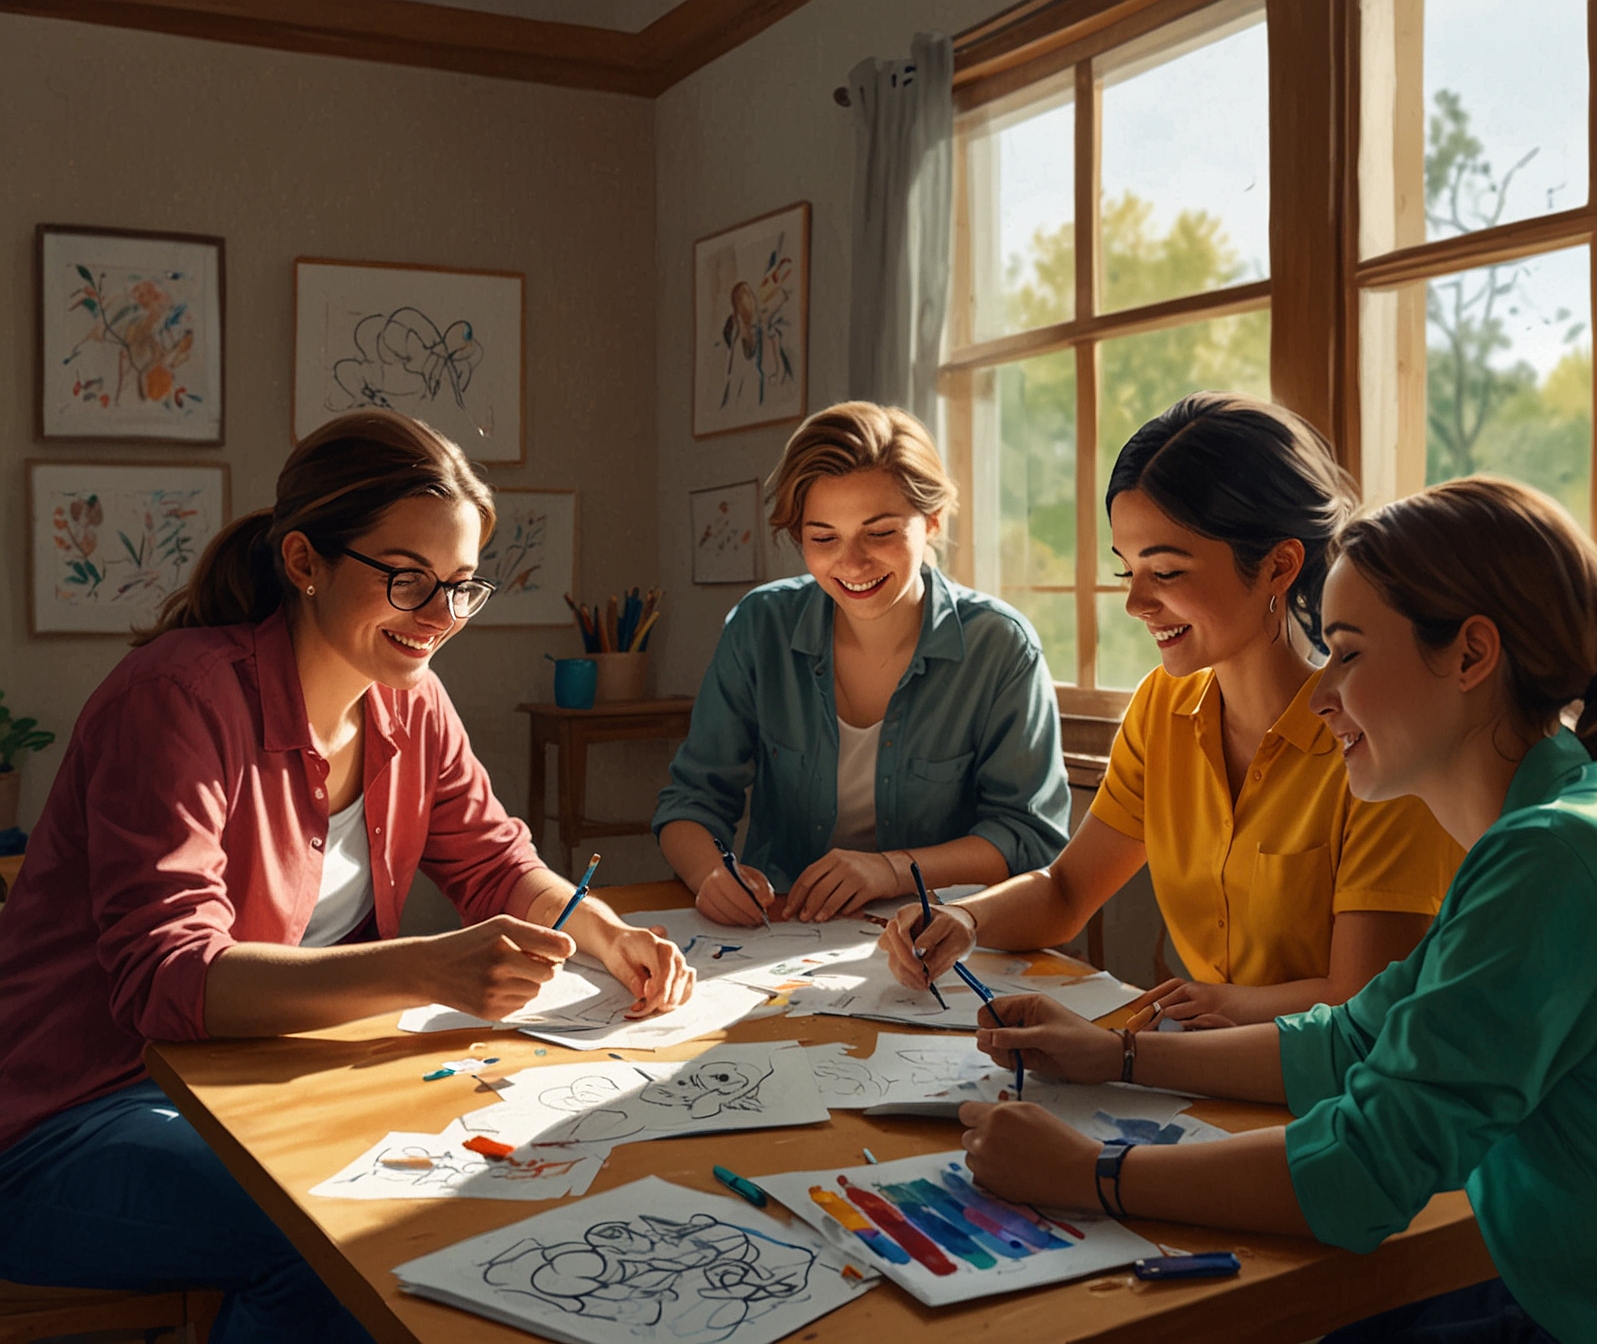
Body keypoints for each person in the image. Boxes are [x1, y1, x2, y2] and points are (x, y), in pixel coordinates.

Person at [958, 477, 1597, 1344]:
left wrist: (1090, 1172)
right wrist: (1119, 1055)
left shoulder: (1556, 859)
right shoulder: (1560, 822)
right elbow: (1355, 1038)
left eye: (1348, 653)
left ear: (1472, 656)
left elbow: (1363, 1172)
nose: (1322, 695)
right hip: (1585, 1289)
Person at [0, 411, 693, 1342]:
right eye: (408, 580)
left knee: (507, 1184)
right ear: (304, 561)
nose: (440, 617)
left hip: (265, 1086)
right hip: (69, 1120)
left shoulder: (412, 699)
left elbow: (493, 860)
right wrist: (426, 969)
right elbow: (166, 982)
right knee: (352, 1235)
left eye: (460, 586)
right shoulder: (178, 700)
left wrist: (602, 933)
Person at [882, 393, 1461, 1025]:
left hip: (1337, 1096)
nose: (1134, 603)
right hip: (1203, 1068)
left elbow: (1363, 1005)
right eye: (1125, 570)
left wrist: (1163, 1033)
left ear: (1278, 565)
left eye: (1166, 572)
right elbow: (1067, 890)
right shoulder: (1164, 706)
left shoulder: (1377, 737)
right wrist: (965, 918)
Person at [654, 401, 1070, 925]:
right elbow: (691, 802)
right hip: (781, 937)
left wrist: (892, 871)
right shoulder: (760, 628)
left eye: (880, 532)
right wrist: (711, 875)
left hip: (941, 938)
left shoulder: (1000, 647)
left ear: (933, 521)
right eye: (824, 538)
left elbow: (1029, 839)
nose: (851, 563)